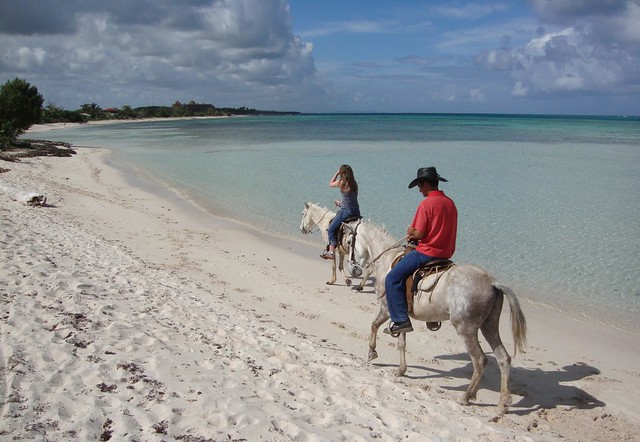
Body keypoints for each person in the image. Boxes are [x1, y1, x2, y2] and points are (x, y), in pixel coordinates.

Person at [384, 166, 457, 335]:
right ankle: (432, 316)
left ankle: (400, 320)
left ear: (425, 184)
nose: (419, 190)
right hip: (446, 253)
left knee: (392, 278)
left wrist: (411, 231)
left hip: (427, 252)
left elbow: (419, 233)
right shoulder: (450, 203)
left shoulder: (426, 204)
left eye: (419, 186)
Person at [321, 164, 361, 260]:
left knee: (330, 229)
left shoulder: (341, 182)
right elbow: (350, 199)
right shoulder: (354, 184)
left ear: (342, 173)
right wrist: (341, 203)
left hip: (346, 212)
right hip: (356, 211)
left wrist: (336, 173)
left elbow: (330, 184)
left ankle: (331, 252)